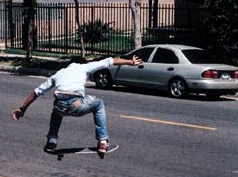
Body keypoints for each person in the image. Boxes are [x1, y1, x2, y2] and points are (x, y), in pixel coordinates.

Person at [11, 55, 142, 157]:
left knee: (56, 111)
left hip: (60, 105)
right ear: (83, 63)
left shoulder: (58, 73)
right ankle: (102, 141)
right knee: (99, 104)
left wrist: (22, 109)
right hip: (77, 104)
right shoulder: (84, 66)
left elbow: (36, 92)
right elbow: (109, 61)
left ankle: (51, 141)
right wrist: (131, 62)